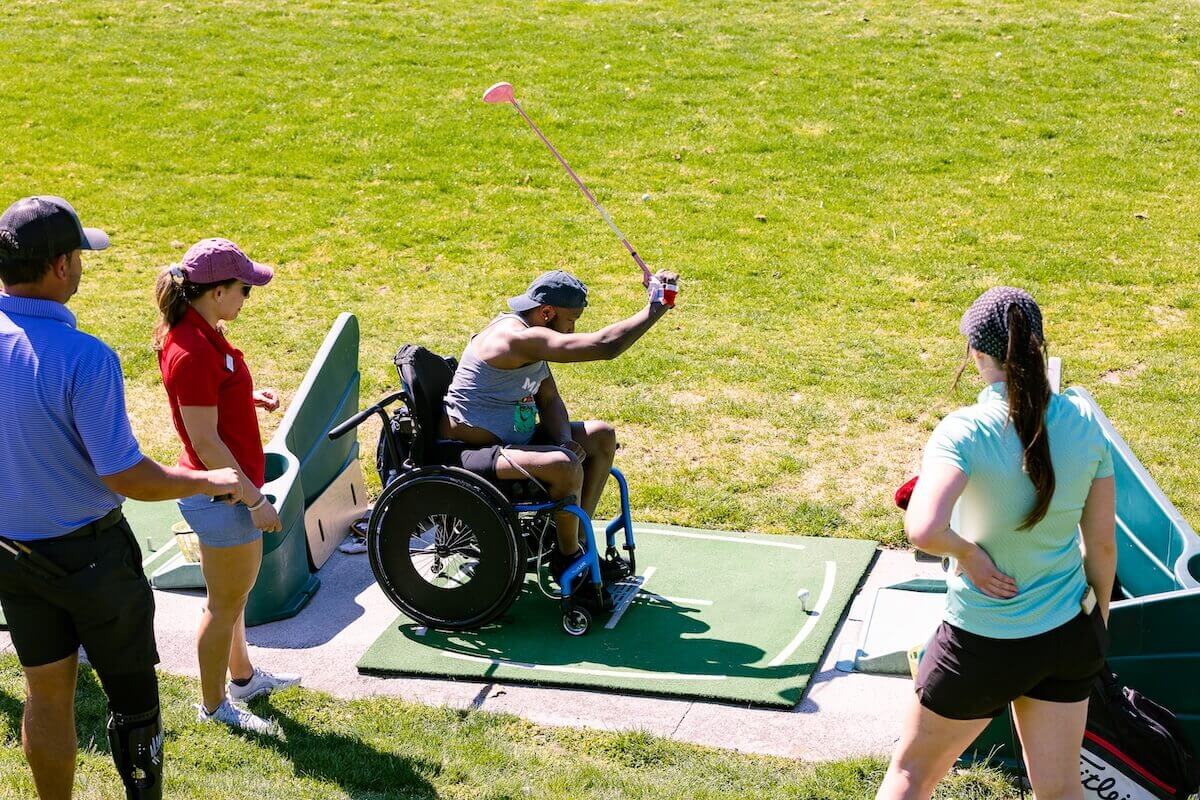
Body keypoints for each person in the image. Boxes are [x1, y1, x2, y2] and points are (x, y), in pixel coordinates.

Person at [0, 196, 242, 800]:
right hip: (93, 558)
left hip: (12, 555)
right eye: (79, 256)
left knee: (46, 696)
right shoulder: (86, 357)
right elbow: (129, 478)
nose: (81, 267)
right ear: (60, 266)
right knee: (135, 702)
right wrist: (210, 480)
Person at [876, 287, 1117, 800]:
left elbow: (923, 529)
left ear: (978, 355)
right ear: (1038, 347)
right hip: (1068, 637)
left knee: (911, 775)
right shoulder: (1085, 424)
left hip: (981, 643)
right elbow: (1102, 549)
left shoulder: (964, 430)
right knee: (1059, 789)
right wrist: (1096, 627)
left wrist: (968, 554)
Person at [439, 268, 679, 607]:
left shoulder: (532, 340)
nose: (573, 329)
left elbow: (549, 399)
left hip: (512, 442)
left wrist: (565, 439)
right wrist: (655, 307)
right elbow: (605, 346)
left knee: (601, 436)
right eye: (572, 320)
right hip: (471, 451)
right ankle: (568, 560)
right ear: (546, 313)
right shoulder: (516, 338)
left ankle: (578, 545)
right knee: (564, 466)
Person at [154, 238, 300, 735]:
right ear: (216, 291)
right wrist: (255, 500)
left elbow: (209, 404)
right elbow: (205, 441)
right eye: (244, 290)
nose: (246, 298)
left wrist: (244, 399)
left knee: (232, 598)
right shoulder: (193, 350)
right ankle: (214, 705)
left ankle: (242, 678)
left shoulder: (204, 332)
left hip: (224, 491)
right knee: (223, 606)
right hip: (223, 496)